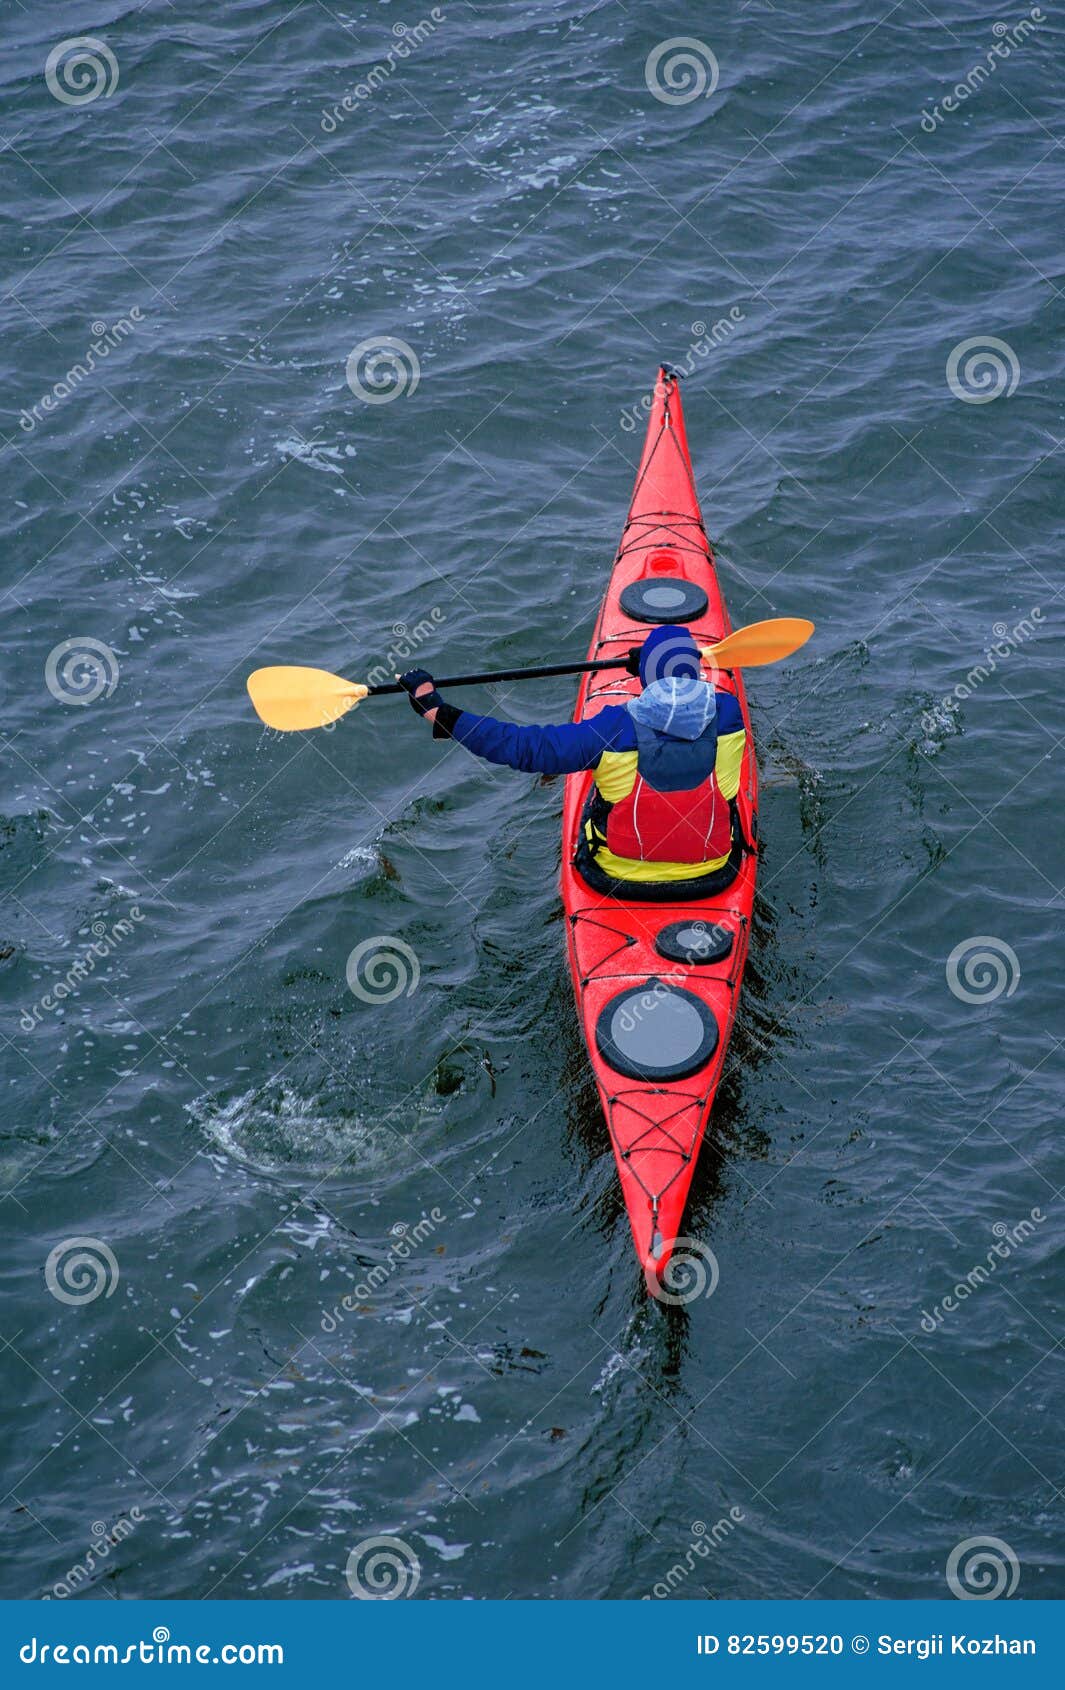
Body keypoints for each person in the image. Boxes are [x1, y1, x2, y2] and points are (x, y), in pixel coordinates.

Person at [398, 624, 749, 901]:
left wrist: (437, 711)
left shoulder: (610, 728)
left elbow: (522, 748)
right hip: (711, 872)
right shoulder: (731, 716)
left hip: (617, 878)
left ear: (645, 677)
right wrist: (656, 664)